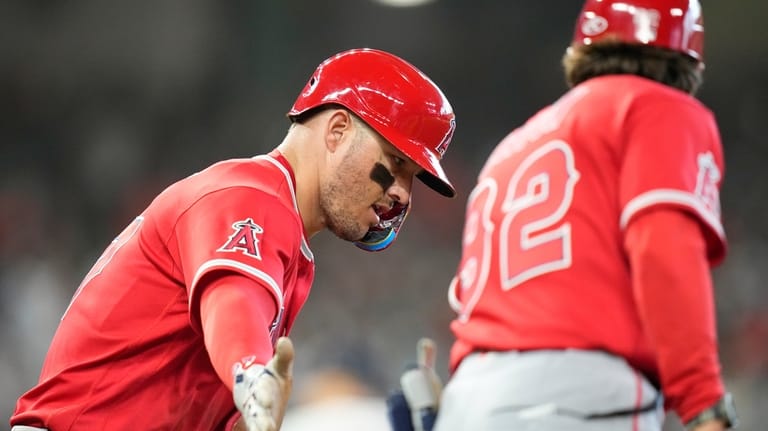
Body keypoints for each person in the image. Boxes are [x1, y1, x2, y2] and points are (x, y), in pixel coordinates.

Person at [10, 47, 457, 431]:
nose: (402, 191)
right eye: (396, 163)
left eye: (412, 178)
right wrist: (251, 371)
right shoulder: (251, 195)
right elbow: (234, 301)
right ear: (337, 131)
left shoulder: (286, 239)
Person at [393, 1, 737, 431]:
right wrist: (702, 400)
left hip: (469, 402)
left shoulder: (511, 147)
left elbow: (467, 299)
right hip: (581, 395)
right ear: (685, 58)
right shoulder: (656, 107)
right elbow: (664, 248)